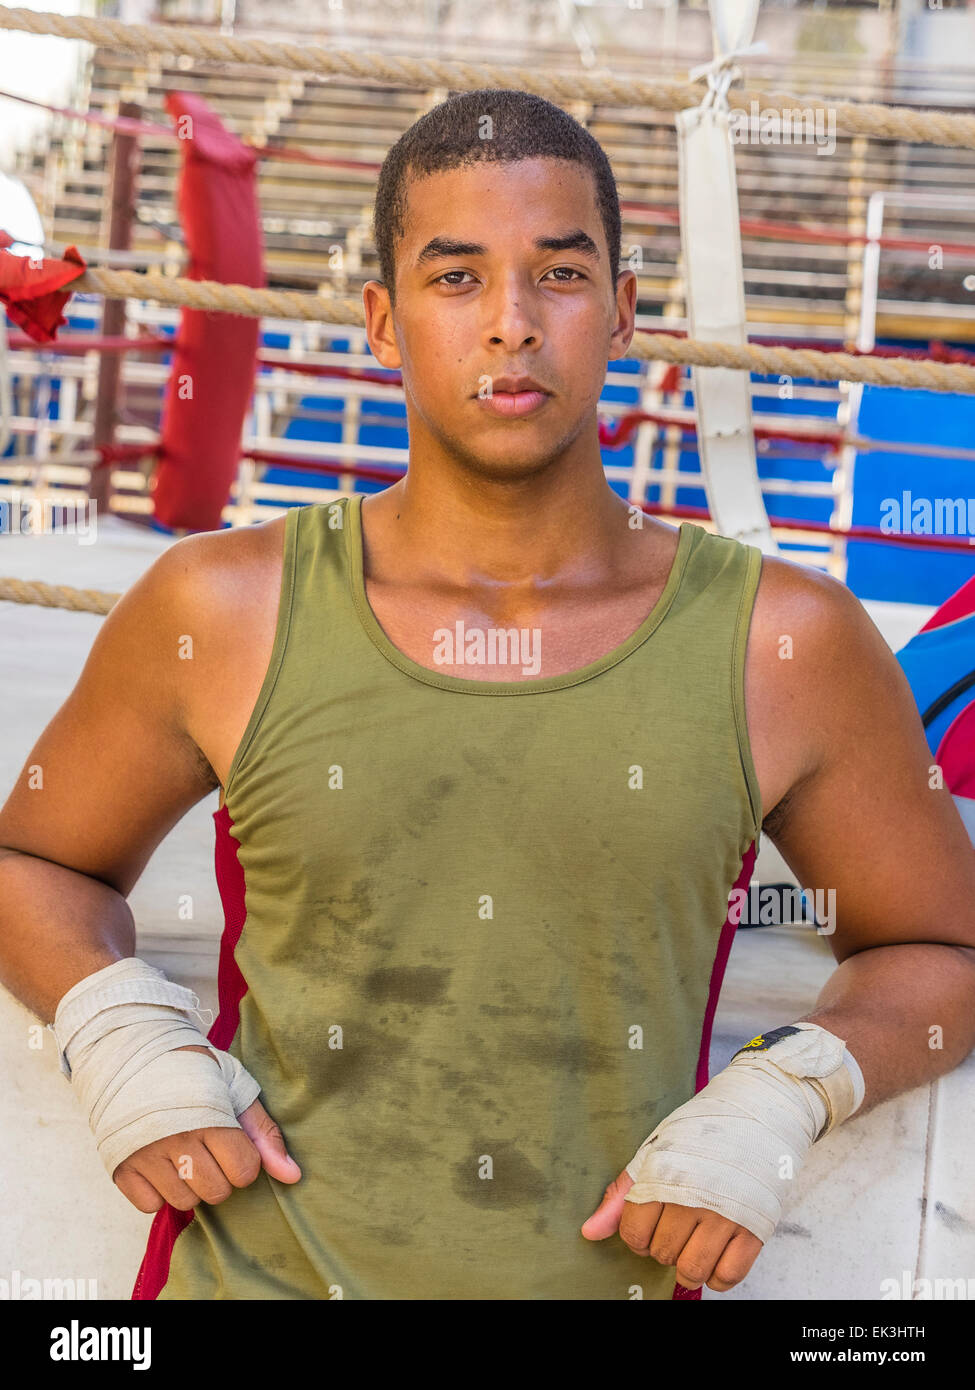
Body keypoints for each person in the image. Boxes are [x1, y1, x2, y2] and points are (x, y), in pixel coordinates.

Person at [1, 88, 974, 1302]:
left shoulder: (786, 638)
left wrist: (797, 1086)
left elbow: (941, 944)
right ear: (383, 320)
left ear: (622, 311)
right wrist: (116, 1027)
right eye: (455, 278)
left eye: (559, 275)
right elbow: (34, 862)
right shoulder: (221, 605)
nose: (511, 324)